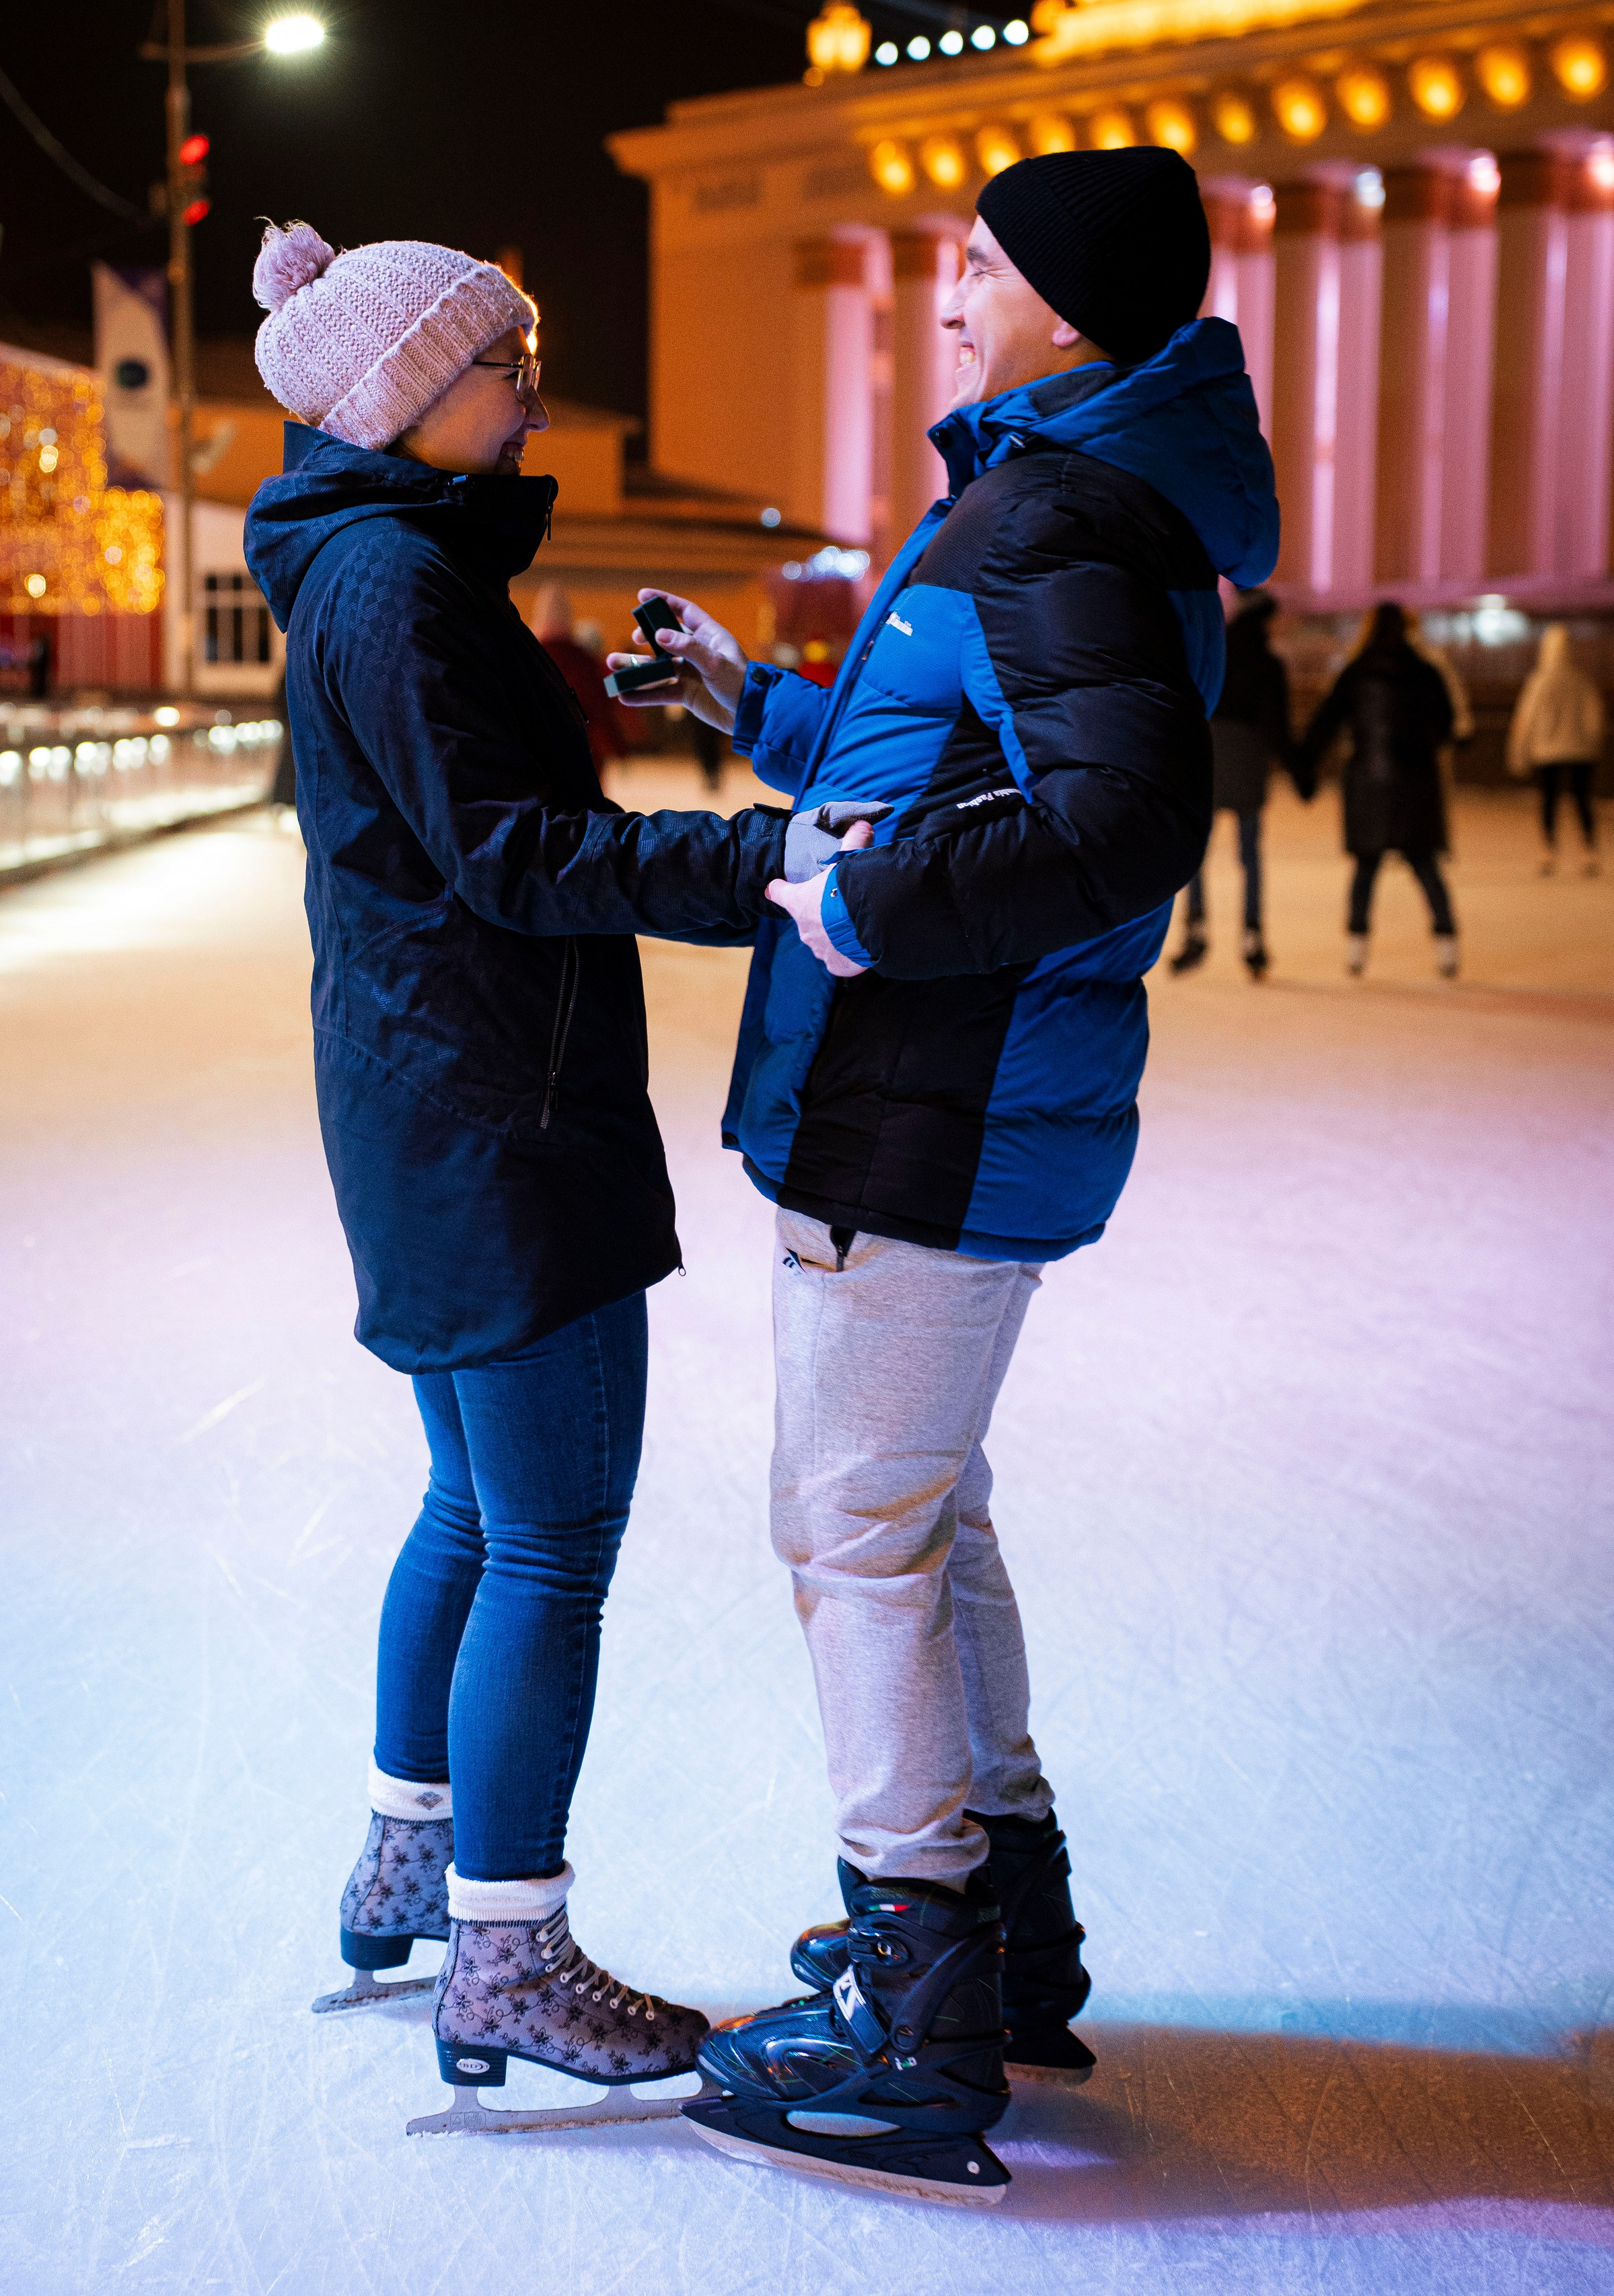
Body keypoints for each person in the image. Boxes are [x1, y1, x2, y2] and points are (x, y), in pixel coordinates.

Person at [585, 146, 1278, 2202]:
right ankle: (999, 1926)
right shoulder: (1056, 493)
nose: (948, 292)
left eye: (977, 263)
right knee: (919, 1512)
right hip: (945, 1089)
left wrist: (875, 913)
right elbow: (937, 763)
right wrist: (753, 700)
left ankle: (917, 1995)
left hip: (930, 1097)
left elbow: (1122, 814)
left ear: (1067, 302)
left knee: (852, 1530)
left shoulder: (1054, 508)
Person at [243, 221, 801, 2137]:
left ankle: (415, 1863)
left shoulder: (381, 568)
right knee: (547, 1538)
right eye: (506, 360)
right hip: (493, 1111)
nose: (535, 392)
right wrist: (758, 862)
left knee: (473, 1508)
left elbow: (470, 825)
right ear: (406, 393)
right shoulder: (397, 583)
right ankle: (509, 1948)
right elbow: (512, 853)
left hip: (432, 1092)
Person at [1302, 600, 1458, 977]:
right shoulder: (1426, 672)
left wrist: (1303, 766)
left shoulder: (1356, 672)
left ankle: (1356, 945)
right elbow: (1446, 725)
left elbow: (1325, 723)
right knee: (1425, 865)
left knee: (1366, 867)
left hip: (1368, 783)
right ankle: (1446, 943)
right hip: (1416, 782)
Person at [1169, 589, 1309, 981]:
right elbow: (1278, 725)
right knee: (1250, 855)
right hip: (1248, 757)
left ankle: (1196, 931)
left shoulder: (1215, 651)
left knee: (1198, 851)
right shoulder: (1268, 663)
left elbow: (1188, 700)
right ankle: (1252, 936)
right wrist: (1301, 774)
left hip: (1210, 754)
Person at [1508, 622, 1603, 876]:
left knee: (1549, 801)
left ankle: (1548, 850)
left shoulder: (1538, 682)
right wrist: (1593, 743)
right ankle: (1589, 850)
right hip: (1580, 751)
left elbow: (1525, 719)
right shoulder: (1581, 680)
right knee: (1582, 800)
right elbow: (1594, 716)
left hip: (1546, 752)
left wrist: (1519, 752)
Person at [531, 581, 632, 778]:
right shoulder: (585, 661)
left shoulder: (528, 655)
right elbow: (602, 703)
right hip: (584, 750)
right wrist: (618, 746)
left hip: (539, 751)